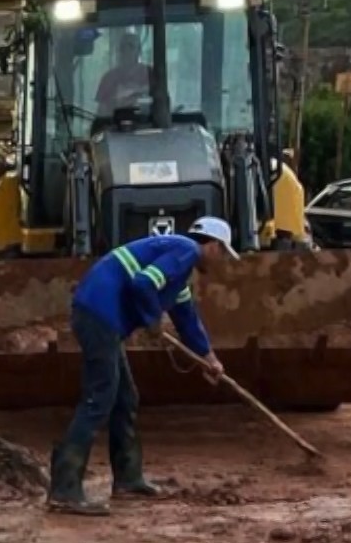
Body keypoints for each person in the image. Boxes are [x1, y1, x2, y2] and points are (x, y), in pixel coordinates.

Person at [48, 218, 235, 516]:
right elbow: (143, 283)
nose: (222, 260)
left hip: (101, 318)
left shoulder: (179, 270)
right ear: (212, 245)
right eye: (223, 253)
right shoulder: (186, 249)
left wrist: (209, 358)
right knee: (100, 399)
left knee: (125, 397)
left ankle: (128, 479)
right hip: (98, 315)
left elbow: (187, 318)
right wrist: (152, 319)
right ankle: (64, 489)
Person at [96, 32, 149, 114]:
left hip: (147, 125)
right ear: (119, 51)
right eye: (123, 47)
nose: (127, 51)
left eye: (131, 46)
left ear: (139, 51)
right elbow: (101, 111)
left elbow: (162, 105)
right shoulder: (108, 78)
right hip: (114, 125)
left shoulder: (151, 75)